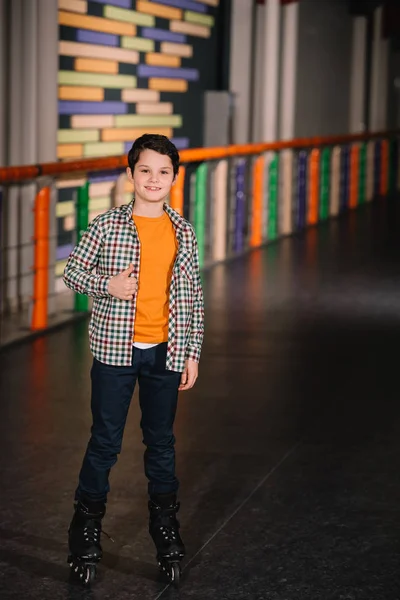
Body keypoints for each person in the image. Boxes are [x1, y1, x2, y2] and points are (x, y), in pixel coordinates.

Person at [63, 134, 204, 586]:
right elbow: (71, 271)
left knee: (161, 444)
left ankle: (164, 528)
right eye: (145, 170)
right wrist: (108, 285)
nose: (154, 179)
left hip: (165, 351)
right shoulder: (107, 226)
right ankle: (85, 527)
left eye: (163, 171)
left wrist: (192, 350)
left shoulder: (183, 230)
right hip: (115, 353)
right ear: (130, 174)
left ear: (174, 178)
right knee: (105, 442)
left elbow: (193, 296)